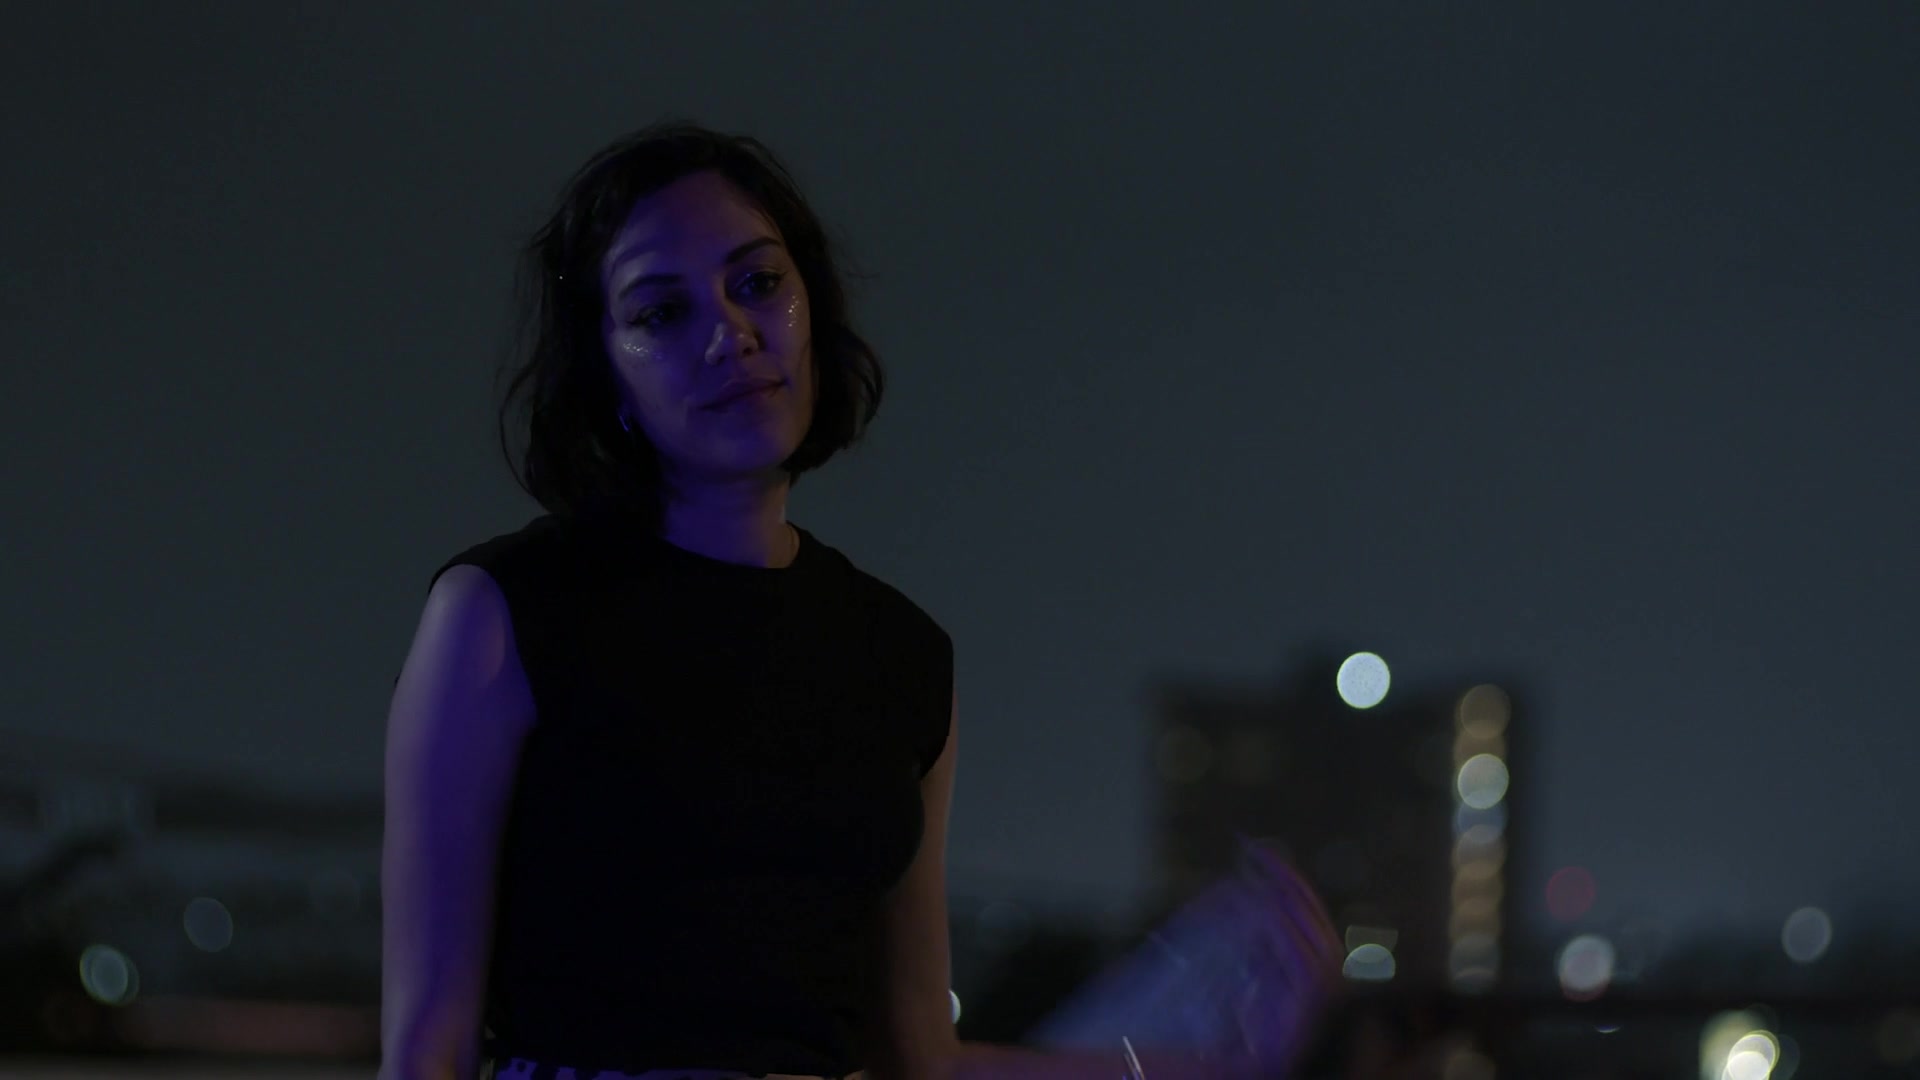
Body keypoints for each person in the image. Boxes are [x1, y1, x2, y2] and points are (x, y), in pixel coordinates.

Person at [379, 119, 1340, 1080]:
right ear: (609, 377)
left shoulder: (901, 657)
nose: (730, 332)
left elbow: (920, 1058)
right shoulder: (502, 616)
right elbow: (428, 1047)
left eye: (760, 283)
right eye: (661, 312)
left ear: (812, 308)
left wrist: (1205, 1061)